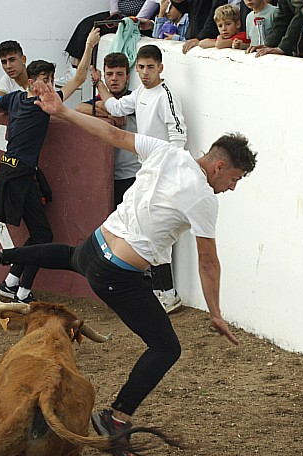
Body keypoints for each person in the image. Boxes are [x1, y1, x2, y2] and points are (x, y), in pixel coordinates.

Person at [0, 78, 256, 456]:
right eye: (233, 179)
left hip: (97, 245)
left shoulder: (168, 152)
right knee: (167, 347)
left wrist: (63, 110)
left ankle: (1, 257)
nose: (230, 188)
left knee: (68, 255)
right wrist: (215, 312)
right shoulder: (203, 198)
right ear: (220, 166)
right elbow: (207, 262)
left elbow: (112, 134)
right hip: (118, 274)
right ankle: (116, 416)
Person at [0, 29, 101, 305]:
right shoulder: (43, 104)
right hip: (19, 172)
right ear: (32, 83)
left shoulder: (16, 99)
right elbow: (79, 77)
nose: (50, 86)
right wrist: (89, 45)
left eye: (51, 80)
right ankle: (16, 288)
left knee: (41, 233)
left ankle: (14, 286)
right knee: (43, 234)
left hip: (11, 170)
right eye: (45, 81)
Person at [96, 44, 187, 313]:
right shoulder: (139, 93)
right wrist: (98, 82)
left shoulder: (166, 95)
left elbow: (179, 136)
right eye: (141, 68)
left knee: (156, 231)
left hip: (161, 175)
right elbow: (114, 105)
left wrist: (168, 170)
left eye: (150, 67)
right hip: (146, 173)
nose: (145, 73)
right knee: (146, 229)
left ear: (160, 68)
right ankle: (162, 290)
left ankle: (166, 292)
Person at [75, 52, 141, 207]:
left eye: (119, 74)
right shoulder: (100, 100)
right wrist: (109, 112)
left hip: (133, 175)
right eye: (109, 74)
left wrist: (110, 108)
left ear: (128, 77)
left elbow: (118, 106)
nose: (114, 79)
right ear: (104, 76)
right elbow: (79, 108)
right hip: (106, 174)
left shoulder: (135, 100)